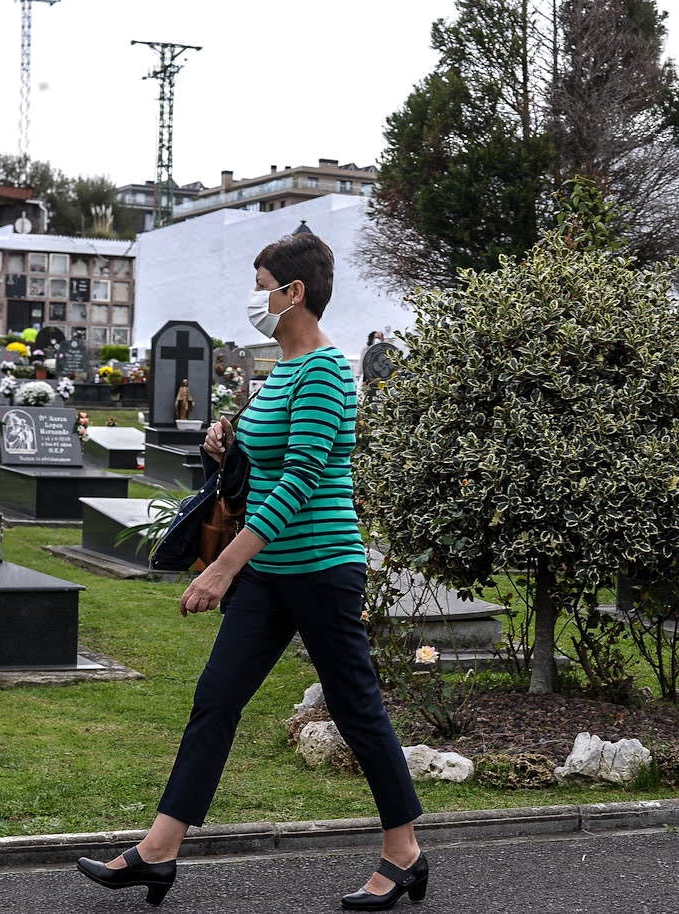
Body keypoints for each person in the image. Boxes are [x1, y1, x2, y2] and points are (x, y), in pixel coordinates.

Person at [78, 233, 426, 909]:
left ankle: (404, 851)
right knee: (216, 700)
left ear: (293, 292)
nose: (254, 297)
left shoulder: (325, 369)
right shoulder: (281, 371)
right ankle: (159, 851)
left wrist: (219, 571)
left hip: (323, 568)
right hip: (269, 573)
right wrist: (223, 443)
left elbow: (299, 481)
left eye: (261, 282)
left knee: (356, 711)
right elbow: (262, 465)